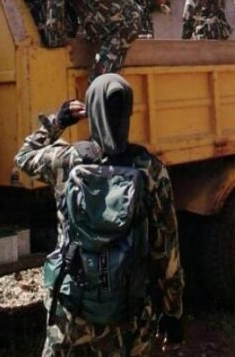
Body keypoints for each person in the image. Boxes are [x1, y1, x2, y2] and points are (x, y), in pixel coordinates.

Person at [14, 73, 184, 356]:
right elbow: (167, 253)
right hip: (129, 314)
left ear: (92, 111)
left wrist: (59, 120)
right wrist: (173, 312)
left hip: (72, 314)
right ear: (129, 112)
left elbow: (23, 158)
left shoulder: (65, 160)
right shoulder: (150, 171)